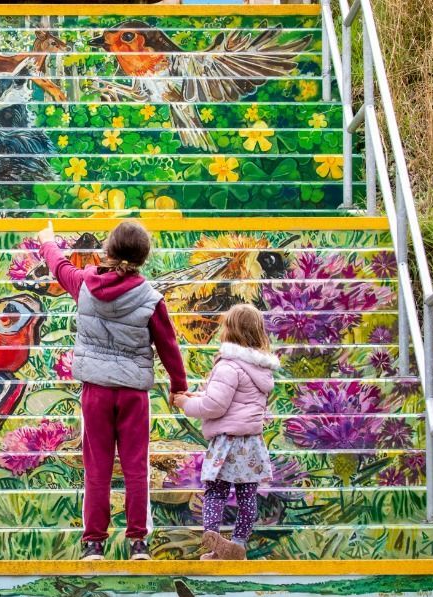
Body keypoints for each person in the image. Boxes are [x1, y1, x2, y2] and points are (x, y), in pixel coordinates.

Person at [38, 220, 188, 561]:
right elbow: (168, 346)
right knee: (135, 467)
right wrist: (179, 388)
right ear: (143, 257)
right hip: (133, 394)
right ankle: (138, 543)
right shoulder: (151, 298)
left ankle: (93, 544)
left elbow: (61, 268)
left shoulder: (86, 285)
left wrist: (47, 241)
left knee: (98, 468)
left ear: (108, 250)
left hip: (96, 392)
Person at [172, 304, 278, 561]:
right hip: (252, 443)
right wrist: (197, 394)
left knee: (216, 491)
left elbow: (215, 406)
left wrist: (186, 404)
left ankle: (211, 536)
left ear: (230, 330)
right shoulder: (261, 369)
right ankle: (239, 543)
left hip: (228, 443)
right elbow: (231, 398)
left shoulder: (228, 365)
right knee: (247, 496)